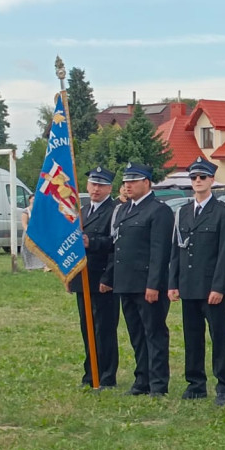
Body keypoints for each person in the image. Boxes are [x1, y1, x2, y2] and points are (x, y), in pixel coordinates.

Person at [167, 157, 225, 406]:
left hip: (210, 287)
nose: (198, 181)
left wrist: (219, 286)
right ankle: (195, 383)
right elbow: (177, 249)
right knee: (192, 337)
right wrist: (172, 283)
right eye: (194, 178)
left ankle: (223, 386)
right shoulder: (183, 212)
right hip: (188, 285)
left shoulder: (223, 212)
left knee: (219, 337)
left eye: (203, 177)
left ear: (212, 181)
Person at [112, 162, 174, 397]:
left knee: (154, 333)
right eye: (126, 181)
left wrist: (153, 284)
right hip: (126, 283)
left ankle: (158, 383)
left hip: (147, 284)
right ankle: (142, 379)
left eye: (133, 181)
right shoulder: (125, 210)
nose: (128, 185)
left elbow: (160, 252)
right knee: (136, 334)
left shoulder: (158, 210)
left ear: (146, 182)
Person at [70, 167, 119, 389]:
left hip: (102, 279)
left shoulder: (116, 210)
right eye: (92, 184)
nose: (95, 189)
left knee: (104, 329)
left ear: (110, 187)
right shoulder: (83, 210)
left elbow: (116, 247)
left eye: (101, 185)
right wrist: (70, 277)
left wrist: (108, 278)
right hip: (83, 279)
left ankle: (107, 376)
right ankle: (90, 374)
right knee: (86, 327)